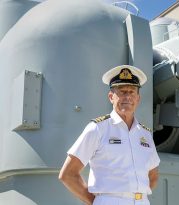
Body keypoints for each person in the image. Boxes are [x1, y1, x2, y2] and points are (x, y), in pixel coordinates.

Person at [59, 65, 160, 205]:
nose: (127, 97)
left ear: (138, 98)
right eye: (122, 92)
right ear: (111, 97)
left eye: (132, 92)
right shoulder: (97, 129)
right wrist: (97, 201)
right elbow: (68, 174)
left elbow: (153, 175)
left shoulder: (145, 134)